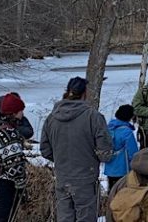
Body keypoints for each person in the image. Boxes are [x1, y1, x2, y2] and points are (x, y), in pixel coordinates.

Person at [40, 77, 114, 222]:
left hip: (63, 178)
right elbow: (105, 153)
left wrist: (62, 159)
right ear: (84, 93)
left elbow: (45, 150)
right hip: (86, 179)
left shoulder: (52, 118)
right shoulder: (94, 117)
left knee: (65, 218)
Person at [0, 93, 28, 222]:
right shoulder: (9, 134)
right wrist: (22, 187)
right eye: (21, 110)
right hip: (4, 185)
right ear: (14, 113)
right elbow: (14, 166)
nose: (22, 113)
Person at [103, 104, 140, 190]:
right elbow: (133, 153)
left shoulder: (109, 128)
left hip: (109, 169)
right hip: (123, 170)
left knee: (112, 191)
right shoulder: (126, 132)